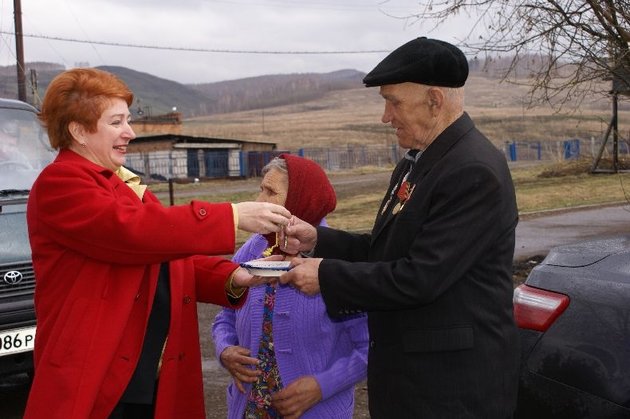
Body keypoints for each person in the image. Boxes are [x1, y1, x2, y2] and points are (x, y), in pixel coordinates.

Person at [23, 68, 291, 419]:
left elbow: (165, 257)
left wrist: (235, 276)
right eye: (116, 122)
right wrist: (232, 216)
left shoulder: (119, 183)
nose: (129, 133)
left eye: (128, 121)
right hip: (98, 378)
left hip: (144, 377)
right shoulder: (60, 184)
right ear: (79, 131)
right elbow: (132, 232)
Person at [279, 37, 520, 418]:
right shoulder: (419, 162)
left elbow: (419, 277)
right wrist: (317, 239)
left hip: (450, 391)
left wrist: (325, 275)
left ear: (434, 101)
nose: (386, 117)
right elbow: (386, 250)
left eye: (394, 103)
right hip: (410, 383)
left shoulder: (473, 170)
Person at [212, 154, 369, 419]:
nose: (259, 201)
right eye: (261, 188)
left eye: (271, 192)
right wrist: (224, 350)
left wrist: (321, 386)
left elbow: (369, 346)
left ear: (301, 200)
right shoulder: (252, 249)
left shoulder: (339, 262)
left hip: (317, 410)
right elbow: (225, 314)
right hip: (250, 408)